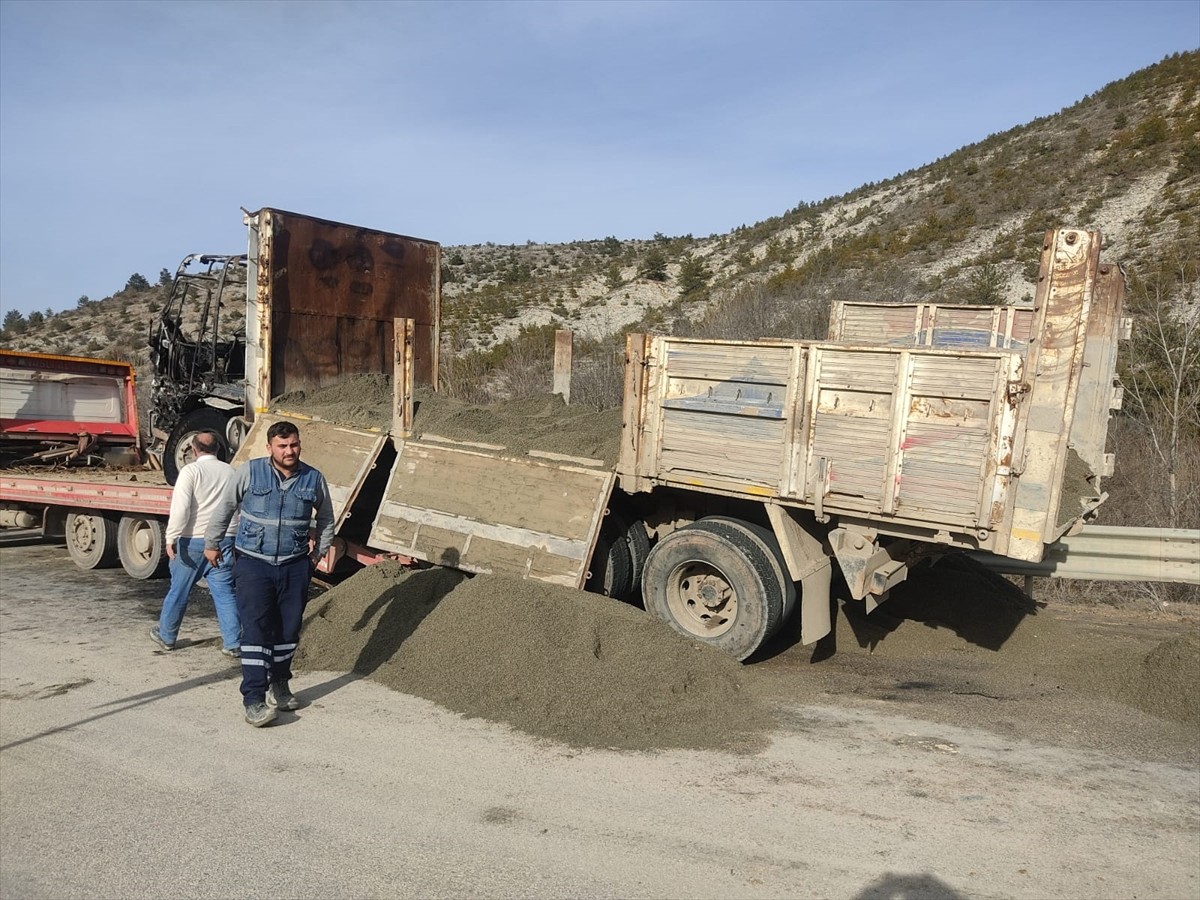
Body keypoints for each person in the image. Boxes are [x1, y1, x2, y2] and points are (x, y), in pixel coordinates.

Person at [204, 420, 334, 728]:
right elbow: (225, 507)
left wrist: (318, 553)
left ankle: (280, 685)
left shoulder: (313, 478)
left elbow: (326, 517)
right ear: (270, 447)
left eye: (294, 445)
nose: (289, 451)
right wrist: (212, 542)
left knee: (287, 632)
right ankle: (254, 700)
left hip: (294, 566)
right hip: (253, 564)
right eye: (283, 446)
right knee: (256, 632)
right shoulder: (250, 471)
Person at [150, 430, 241, 657]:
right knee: (224, 592)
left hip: (194, 541)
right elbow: (238, 507)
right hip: (224, 540)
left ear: (193, 449)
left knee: (179, 590)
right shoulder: (231, 472)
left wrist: (170, 537)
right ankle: (233, 642)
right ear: (219, 449)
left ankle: (167, 636)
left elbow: (181, 508)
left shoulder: (191, 471)